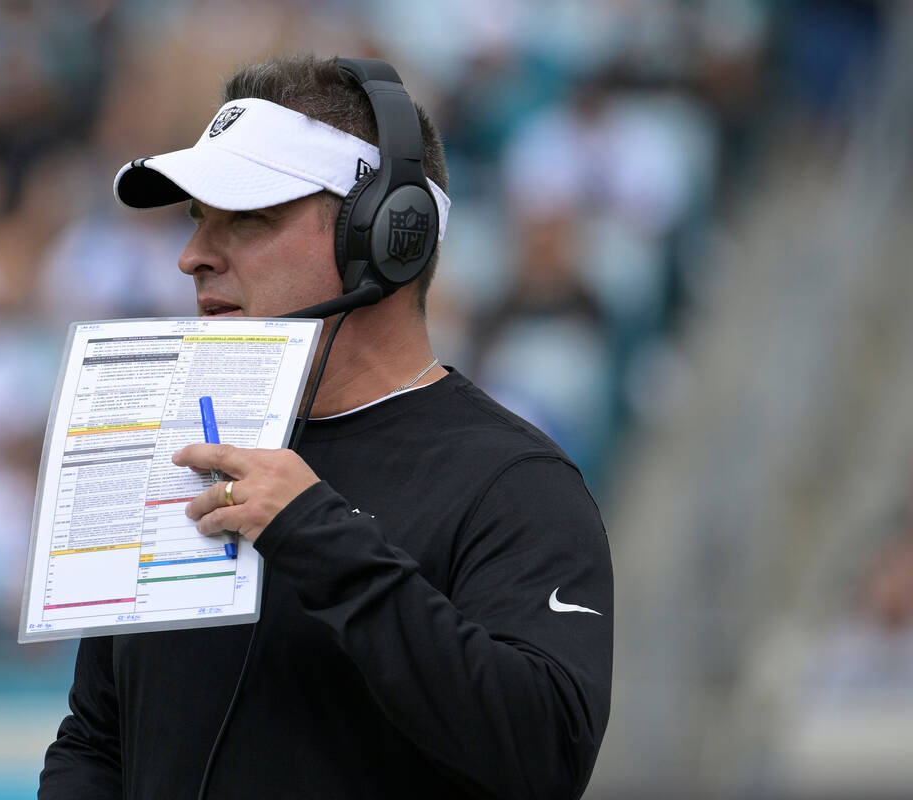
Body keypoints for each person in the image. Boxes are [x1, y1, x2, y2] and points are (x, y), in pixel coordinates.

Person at [39, 53, 613, 799]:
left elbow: (546, 756)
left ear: (386, 235)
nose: (192, 257)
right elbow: (98, 737)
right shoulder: (173, 448)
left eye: (247, 219)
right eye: (195, 220)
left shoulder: (517, 485)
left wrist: (318, 534)